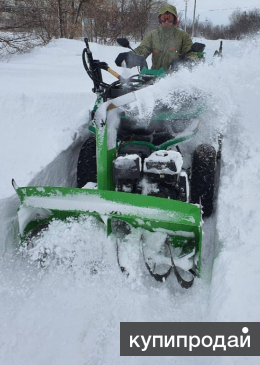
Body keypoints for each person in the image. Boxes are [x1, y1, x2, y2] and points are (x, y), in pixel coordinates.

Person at [115, 3, 198, 72]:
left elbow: (192, 55)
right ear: (159, 19)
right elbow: (143, 49)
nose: (166, 21)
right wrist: (131, 57)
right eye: (164, 18)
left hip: (174, 81)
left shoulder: (183, 36)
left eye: (169, 18)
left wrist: (185, 62)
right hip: (153, 79)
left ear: (174, 20)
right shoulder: (152, 35)